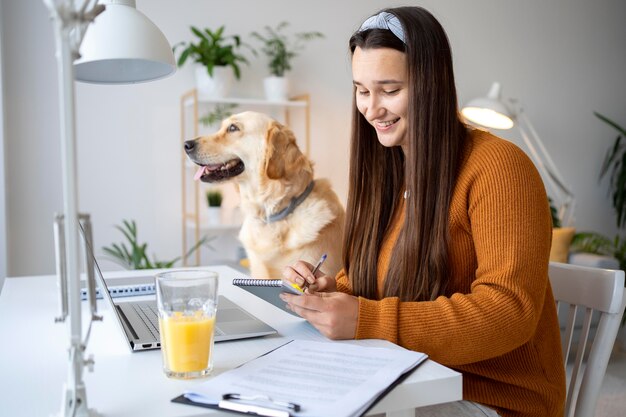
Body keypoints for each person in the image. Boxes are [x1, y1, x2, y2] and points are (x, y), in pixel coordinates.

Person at [280, 6, 566, 417]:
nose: (371, 108)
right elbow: (380, 284)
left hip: (494, 399)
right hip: (410, 378)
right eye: (361, 90)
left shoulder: (499, 168)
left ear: (431, 84)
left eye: (389, 89)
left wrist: (367, 320)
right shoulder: (389, 170)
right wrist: (334, 293)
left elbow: (510, 311)